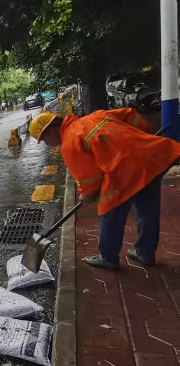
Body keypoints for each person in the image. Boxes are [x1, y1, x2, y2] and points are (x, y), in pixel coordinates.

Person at [29, 108, 180, 269]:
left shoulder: (70, 143)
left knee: (109, 210)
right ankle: (145, 253)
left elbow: (89, 179)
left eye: (44, 140)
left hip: (124, 170)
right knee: (147, 209)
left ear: (51, 130)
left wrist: (87, 194)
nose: (48, 144)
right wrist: (138, 138)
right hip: (151, 156)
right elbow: (130, 114)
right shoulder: (95, 116)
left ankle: (108, 257)